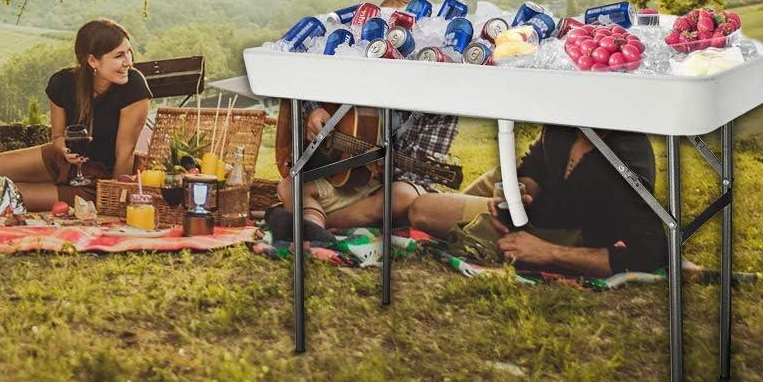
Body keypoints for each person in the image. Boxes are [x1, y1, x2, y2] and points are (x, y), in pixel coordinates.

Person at [408, 124, 667, 277]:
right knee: (498, 178)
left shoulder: (625, 159)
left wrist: (548, 253)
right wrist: (522, 191)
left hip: (559, 230)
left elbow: (650, 249)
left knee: (421, 209)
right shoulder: (567, 122)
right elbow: (535, 162)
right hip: (532, 205)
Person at [0, 18, 150, 210]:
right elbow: (58, 137)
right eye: (119, 55)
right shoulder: (63, 82)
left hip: (97, 180)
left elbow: (124, 154)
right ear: (92, 60)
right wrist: (64, 151)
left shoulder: (134, 86)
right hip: (61, 161)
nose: (129, 62)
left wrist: (115, 199)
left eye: (129, 52)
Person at [269, 99, 459, 244]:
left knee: (402, 196)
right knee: (290, 185)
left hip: (378, 192)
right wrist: (313, 109)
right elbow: (301, 80)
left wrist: (383, 166)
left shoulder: (441, 107)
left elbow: (416, 177)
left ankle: (313, 225)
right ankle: (314, 227)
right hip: (339, 180)